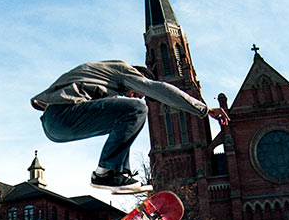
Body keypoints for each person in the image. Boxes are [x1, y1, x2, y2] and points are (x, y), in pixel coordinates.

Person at [31, 59, 229, 190]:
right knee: (136, 109)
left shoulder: (105, 78)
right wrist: (204, 109)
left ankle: (116, 173)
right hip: (62, 114)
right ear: (139, 79)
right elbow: (160, 89)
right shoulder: (124, 70)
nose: (134, 95)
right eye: (138, 92)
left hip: (55, 126)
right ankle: (107, 173)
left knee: (123, 120)